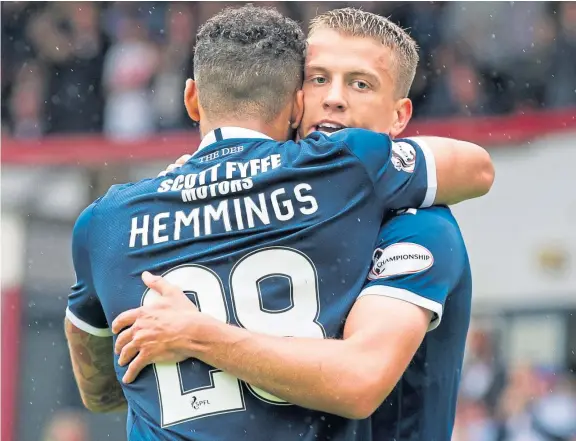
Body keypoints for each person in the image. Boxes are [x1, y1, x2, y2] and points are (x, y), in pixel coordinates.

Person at [65, 5, 492, 441]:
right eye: (318, 78)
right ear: (294, 97)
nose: (333, 97)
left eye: (360, 83)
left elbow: (359, 379)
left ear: (399, 115)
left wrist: (199, 338)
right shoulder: (310, 187)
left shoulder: (417, 226)